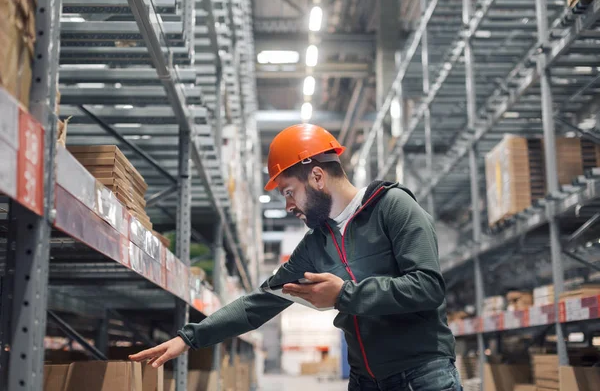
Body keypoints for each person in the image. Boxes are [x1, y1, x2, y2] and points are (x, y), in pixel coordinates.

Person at [130, 124, 461, 391]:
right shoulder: (315, 244)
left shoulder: (393, 207)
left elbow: (428, 287)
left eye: (289, 192)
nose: (288, 206)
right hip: (365, 380)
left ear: (317, 176)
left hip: (422, 375)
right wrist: (189, 338)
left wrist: (344, 295)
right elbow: (259, 303)